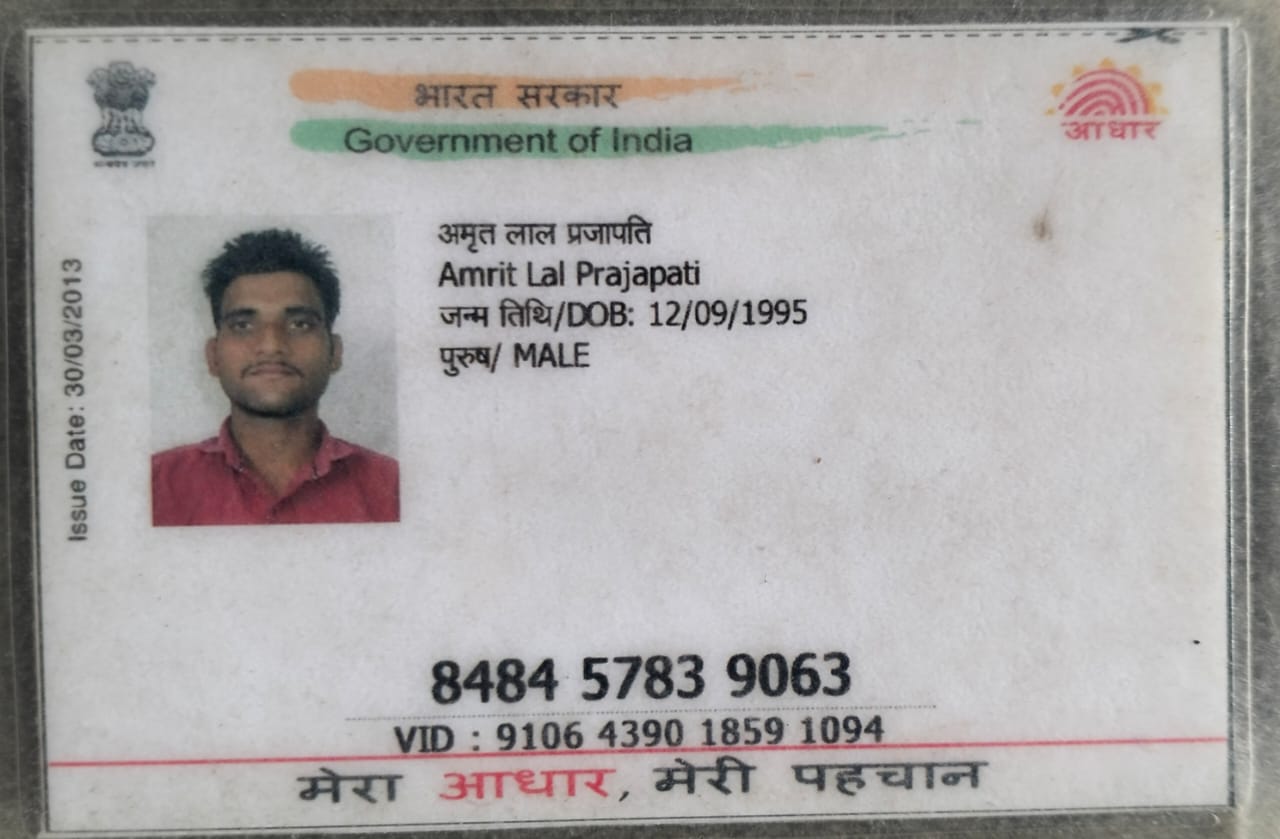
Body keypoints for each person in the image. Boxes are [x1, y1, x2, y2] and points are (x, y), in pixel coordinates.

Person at [152, 228, 399, 525]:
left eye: (300, 324)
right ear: (213, 356)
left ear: (334, 352)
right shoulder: (155, 486)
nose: (271, 345)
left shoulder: (394, 487)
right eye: (243, 325)